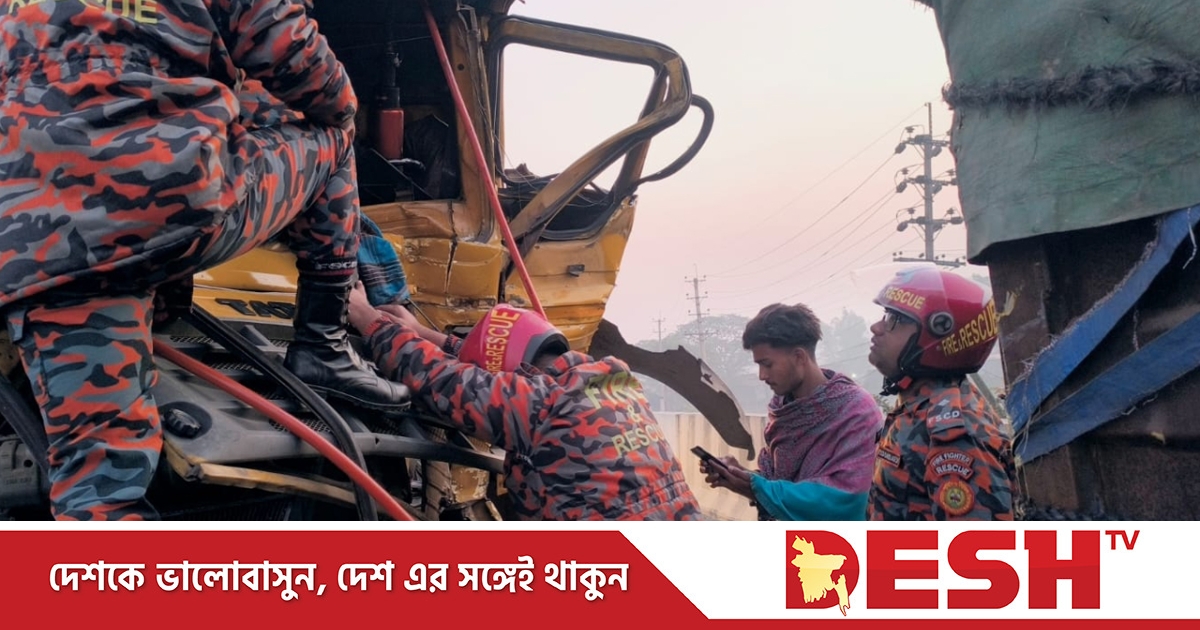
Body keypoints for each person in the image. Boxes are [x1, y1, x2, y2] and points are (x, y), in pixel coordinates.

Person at [0, 1, 408, 520]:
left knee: (99, 486)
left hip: (34, 241)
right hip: (166, 208)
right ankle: (322, 348)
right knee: (335, 138)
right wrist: (343, 105)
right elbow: (283, 41)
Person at [347, 287, 703, 520]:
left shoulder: (540, 404)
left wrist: (366, 317)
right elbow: (494, 371)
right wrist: (425, 334)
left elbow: (440, 378)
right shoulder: (619, 386)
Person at [701, 303, 883, 520]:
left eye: (767, 364)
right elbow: (776, 483)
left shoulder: (856, 411)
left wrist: (755, 487)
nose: (761, 375)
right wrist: (739, 475)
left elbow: (846, 498)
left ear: (799, 357)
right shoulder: (783, 409)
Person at [866, 267, 1016, 520]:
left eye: (895, 320)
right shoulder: (918, 407)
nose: (876, 327)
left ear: (938, 332)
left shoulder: (956, 435)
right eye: (885, 315)